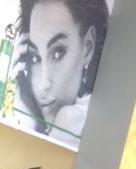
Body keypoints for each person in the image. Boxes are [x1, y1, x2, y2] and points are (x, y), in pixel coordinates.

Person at [12, 0, 109, 145]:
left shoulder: (69, 118)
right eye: (34, 58)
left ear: (87, 47)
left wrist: (30, 125)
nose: (43, 84)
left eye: (58, 53)